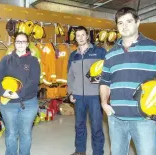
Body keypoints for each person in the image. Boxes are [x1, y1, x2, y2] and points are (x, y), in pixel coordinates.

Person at [100, 7, 156, 155]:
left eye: (129, 21)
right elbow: (105, 81)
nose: (124, 26)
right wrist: (104, 103)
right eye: (120, 23)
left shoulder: (155, 48)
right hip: (116, 119)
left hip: (144, 121)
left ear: (138, 22)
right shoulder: (110, 55)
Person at [0, 32, 40, 155]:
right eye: (18, 41)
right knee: (11, 134)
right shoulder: (6, 60)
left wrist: (18, 94)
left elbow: (33, 82)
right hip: (8, 103)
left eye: (23, 41)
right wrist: (4, 92)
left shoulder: (33, 61)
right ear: (14, 44)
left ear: (27, 44)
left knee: (25, 134)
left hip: (28, 104)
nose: (20, 44)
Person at [67, 26, 106, 155]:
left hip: (95, 95)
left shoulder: (99, 52)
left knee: (96, 127)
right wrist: (70, 92)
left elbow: (107, 70)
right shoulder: (73, 55)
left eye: (83, 35)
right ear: (75, 38)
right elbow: (70, 75)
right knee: (79, 126)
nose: (81, 38)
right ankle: (80, 151)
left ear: (87, 36)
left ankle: (98, 152)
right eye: (78, 35)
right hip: (78, 96)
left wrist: (104, 90)